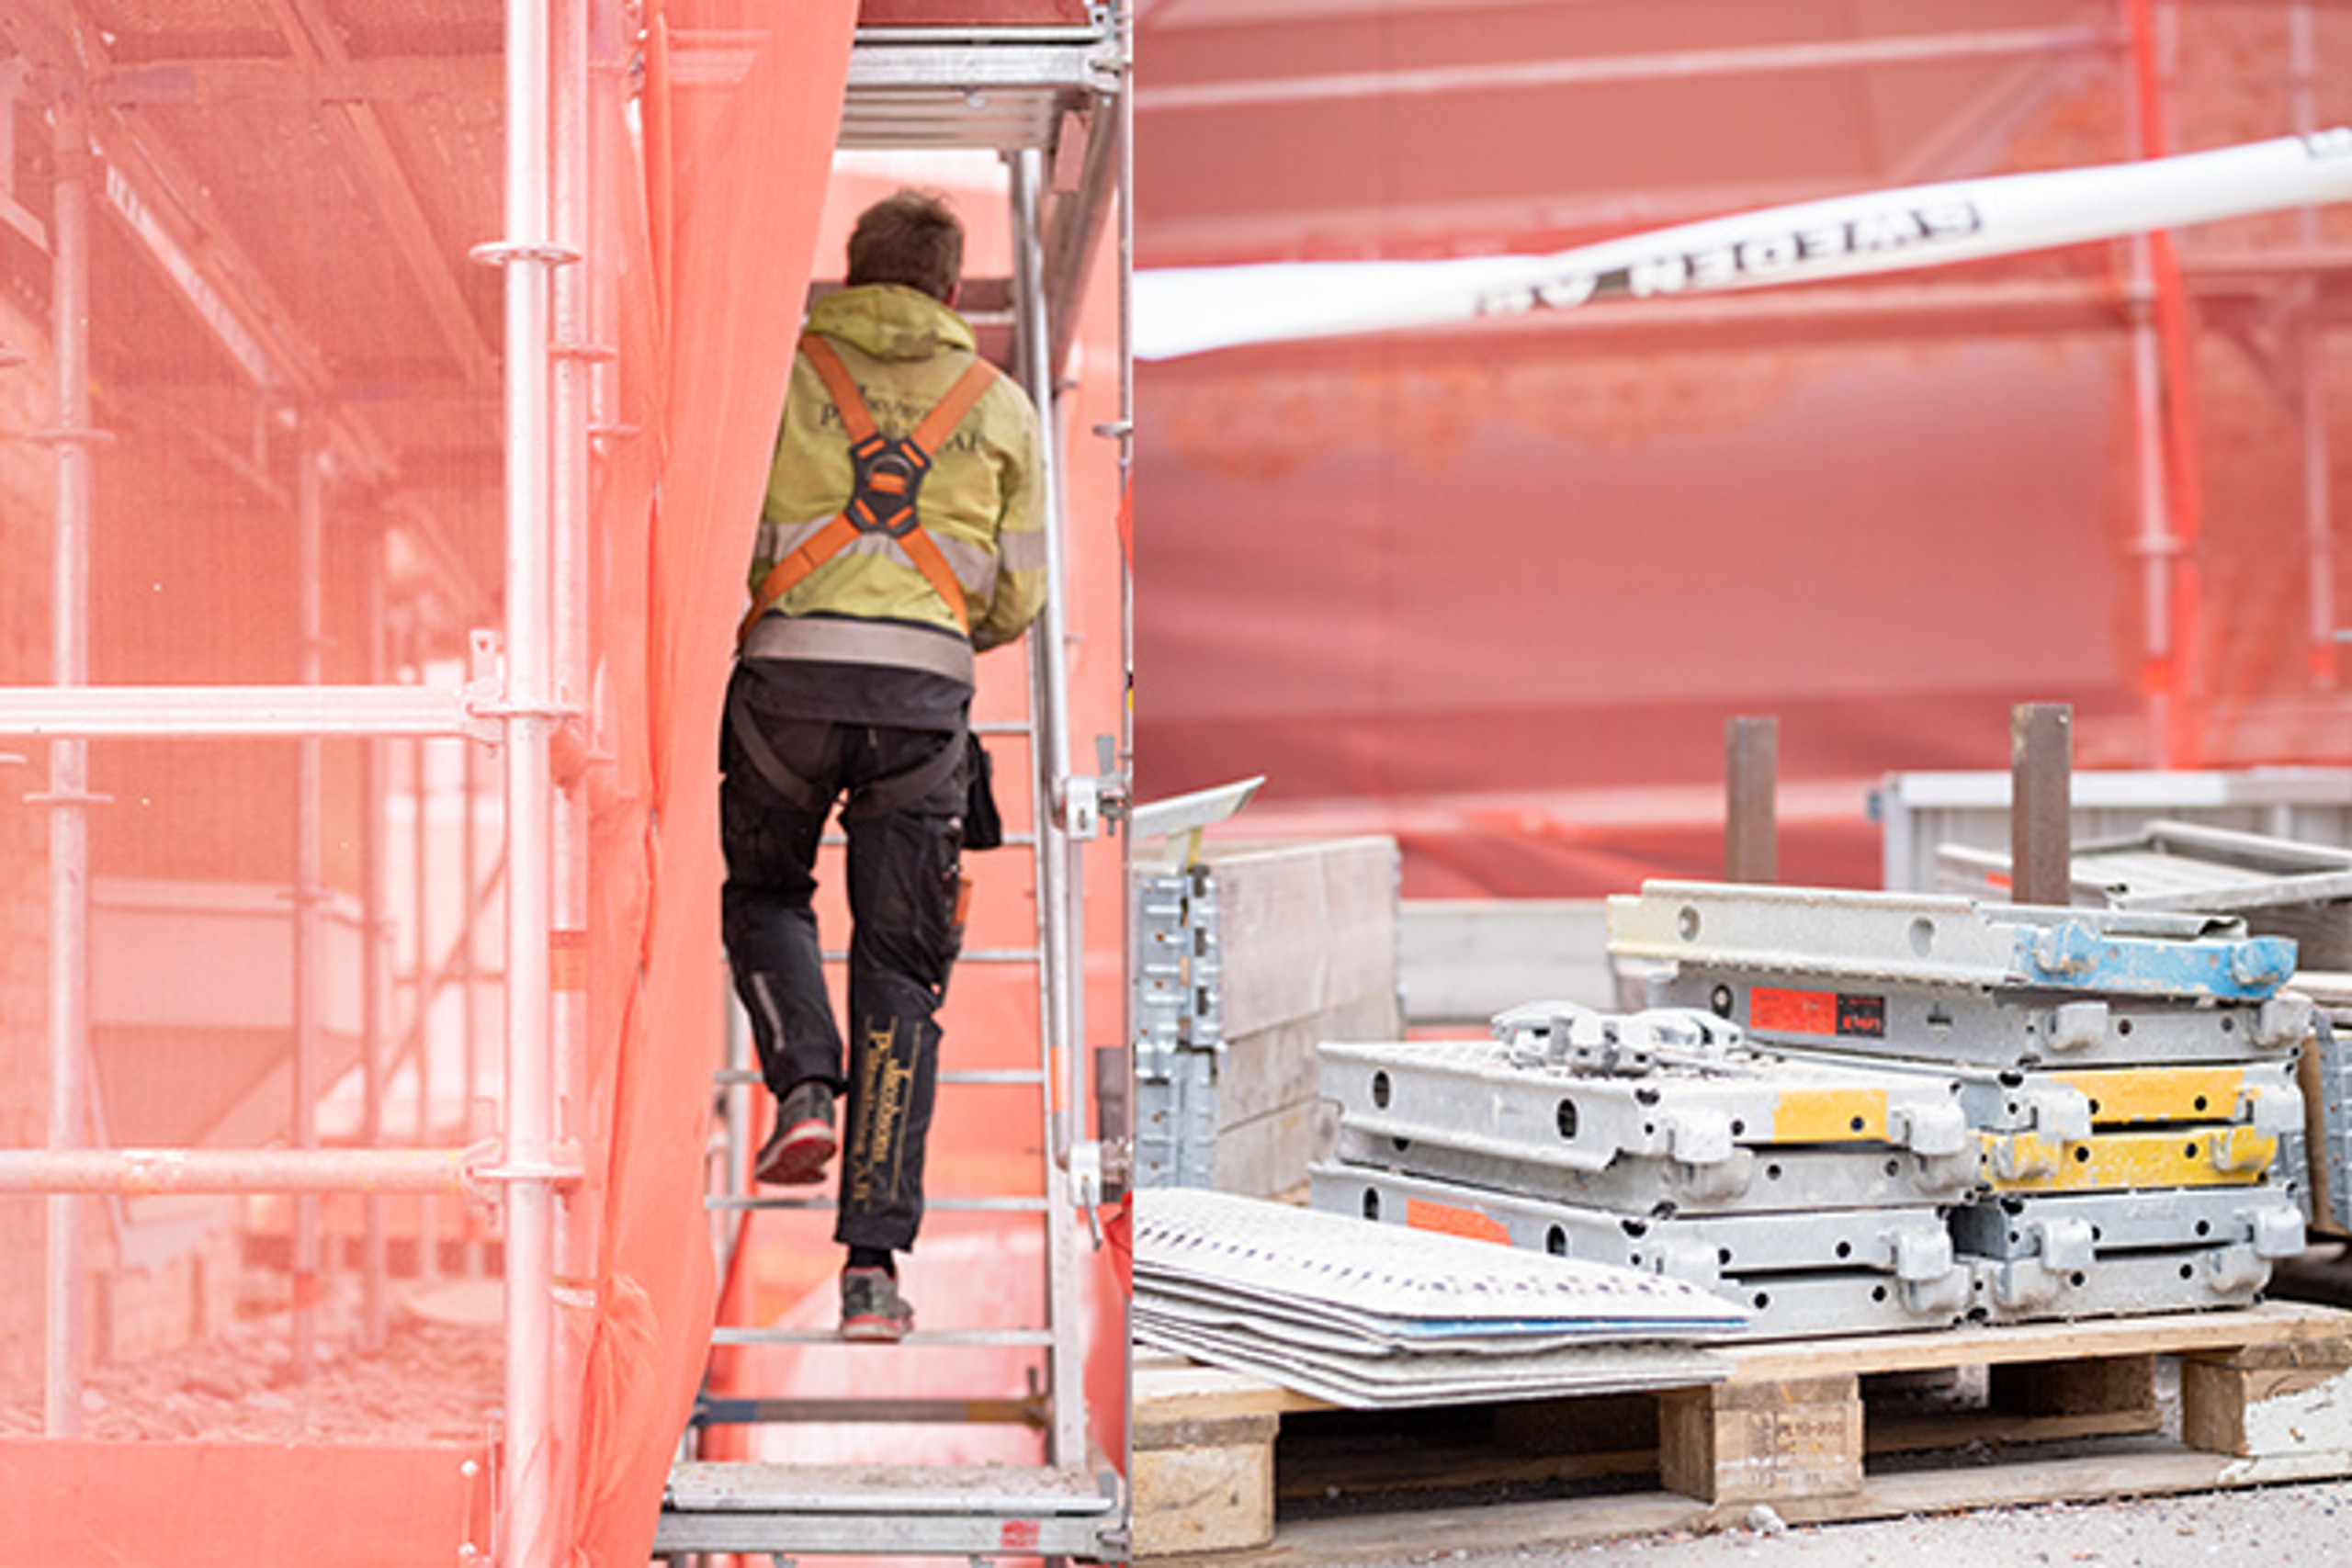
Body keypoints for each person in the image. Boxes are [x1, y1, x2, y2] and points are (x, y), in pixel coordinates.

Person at [720, 188, 1045, 1341]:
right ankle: (870, 1273)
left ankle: (804, 1079)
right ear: (954, 293)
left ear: (850, 277)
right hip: (923, 705)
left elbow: (716, 530)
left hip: (785, 688)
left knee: (767, 890)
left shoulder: (780, 374)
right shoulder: (999, 406)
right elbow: (1016, 596)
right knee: (902, 976)